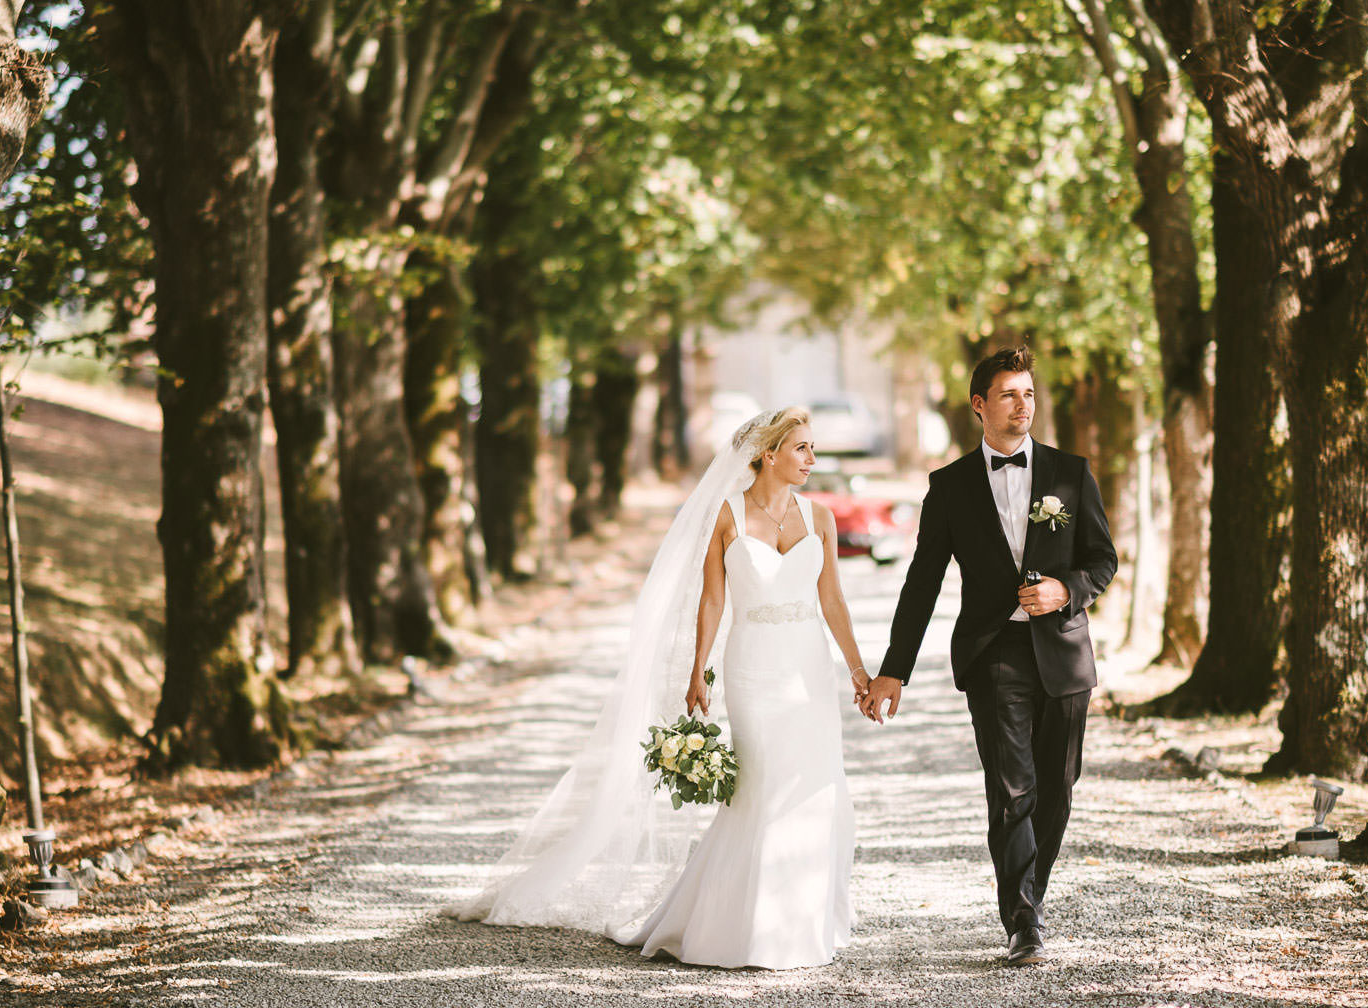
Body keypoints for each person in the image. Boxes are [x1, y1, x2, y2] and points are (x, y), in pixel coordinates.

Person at [456, 407, 871, 971]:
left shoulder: (820, 518)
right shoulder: (726, 514)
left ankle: (796, 920)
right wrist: (696, 669)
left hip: (808, 667)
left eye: (812, 448)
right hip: (754, 667)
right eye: (802, 448)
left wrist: (856, 668)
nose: (812, 459)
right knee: (761, 784)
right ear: (769, 455)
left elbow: (833, 602)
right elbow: (712, 600)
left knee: (811, 785)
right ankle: (738, 926)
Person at [860, 346, 1116, 966]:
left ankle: (1032, 895)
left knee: (1057, 788)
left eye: (1028, 394)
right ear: (980, 405)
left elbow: (1102, 560)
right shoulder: (948, 489)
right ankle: (1023, 919)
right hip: (994, 651)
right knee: (1012, 789)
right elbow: (921, 582)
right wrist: (894, 670)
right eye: (1008, 394)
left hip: (1062, 650)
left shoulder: (1069, 473)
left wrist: (1066, 590)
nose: (1021, 405)